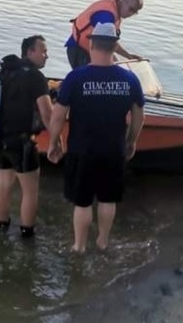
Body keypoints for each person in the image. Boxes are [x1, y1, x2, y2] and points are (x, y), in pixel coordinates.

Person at [48, 23, 145, 252]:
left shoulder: (75, 78)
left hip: (82, 149)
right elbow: (139, 117)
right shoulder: (130, 79)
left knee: (82, 202)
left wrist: (54, 141)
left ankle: (79, 246)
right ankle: (103, 241)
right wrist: (131, 141)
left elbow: (58, 115)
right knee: (107, 199)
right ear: (113, 47)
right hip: (113, 149)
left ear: (91, 44)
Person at [0, 35, 53, 238]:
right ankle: (27, 235)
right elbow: (47, 113)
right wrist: (56, 139)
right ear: (29, 52)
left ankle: (1, 228)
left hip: (0, 139)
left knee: (3, 184)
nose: (47, 55)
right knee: (30, 191)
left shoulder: (8, 72)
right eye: (43, 50)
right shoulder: (36, 77)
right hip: (23, 143)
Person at [65, 0, 144, 69]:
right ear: (123, 1)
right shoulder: (106, 16)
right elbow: (106, 45)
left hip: (90, 49)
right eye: (131, 9)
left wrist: (127, 57)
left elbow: (110, 44)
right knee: (90, 79)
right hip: (79, 50)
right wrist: (121, 60)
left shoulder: (115, 9)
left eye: (134, 12)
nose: (131, 14)